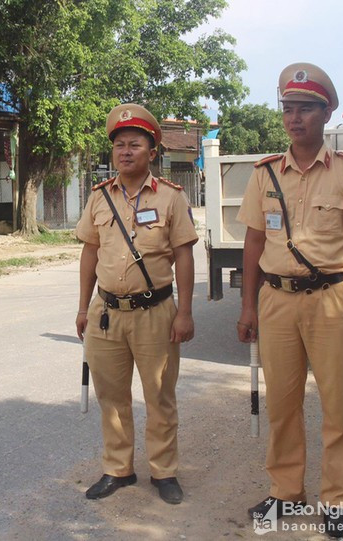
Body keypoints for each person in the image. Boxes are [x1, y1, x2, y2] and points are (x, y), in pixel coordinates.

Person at [237, 63, 343, 538]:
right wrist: (248, 306)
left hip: (332, 301)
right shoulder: (264, 175)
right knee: (281, 404)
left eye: (305, 110)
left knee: (338, 406)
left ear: (326, 113)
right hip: (277, 299)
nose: (294, 119)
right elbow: (253, 244)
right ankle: (286, 493)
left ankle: (336, 500)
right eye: (288, 110)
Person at [75, 104, 198, 505]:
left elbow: (184, 255)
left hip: (156, 313)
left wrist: (185, 311)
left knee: (160, 395)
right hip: (106, 312)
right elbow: (89, 254)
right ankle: (118, 469)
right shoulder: (98, 198)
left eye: (134, 144)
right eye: (119, 145)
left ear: (152, 152)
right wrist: (81, 307)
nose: (125, 152)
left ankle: (164, 472)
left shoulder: (171, 198)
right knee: (111, 396)